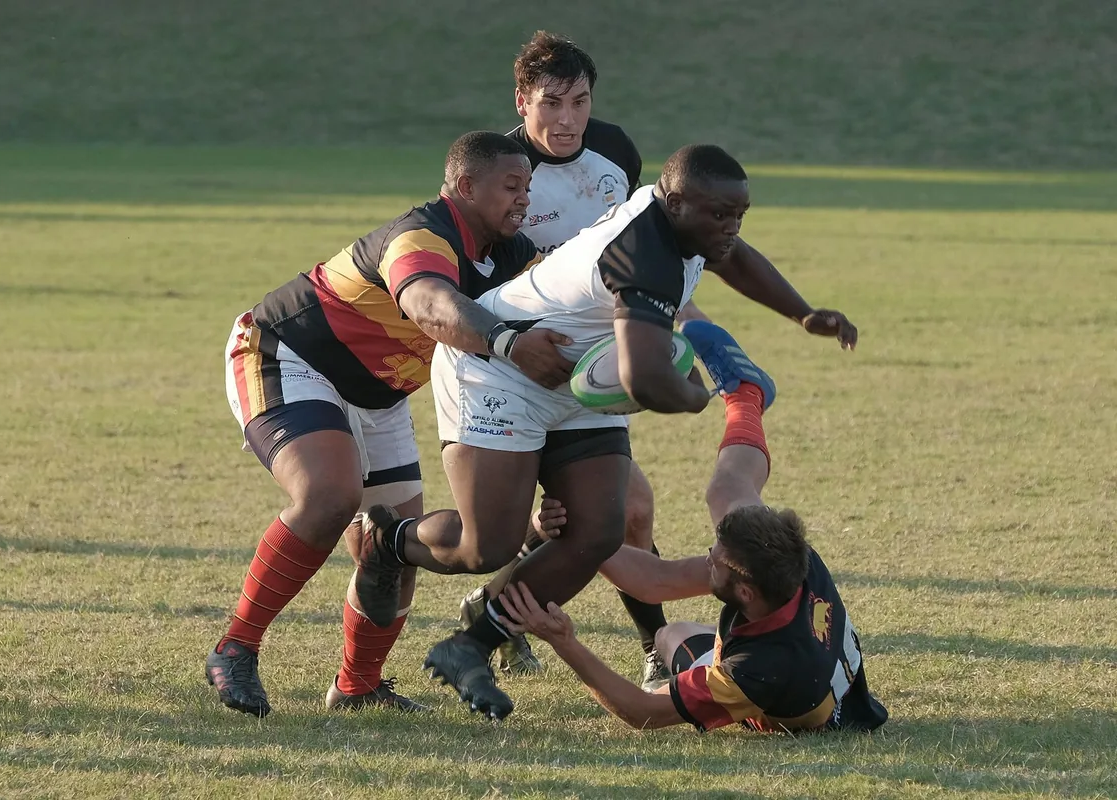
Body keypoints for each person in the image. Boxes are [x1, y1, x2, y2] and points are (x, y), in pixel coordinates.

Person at [348, 143, 857, 722]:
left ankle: (470, 646)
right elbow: (645, 380)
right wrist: (700, 394)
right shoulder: (644, 252)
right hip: (501, 370)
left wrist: (802, 313)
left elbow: (733, 256)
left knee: (598, 530)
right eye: (720, 215)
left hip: (578, 374)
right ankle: (389, 541)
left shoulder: (691, 227)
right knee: (486, 546)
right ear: (675, 203)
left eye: (739, 214)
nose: (731, 227)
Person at [459, 31, 858, 689]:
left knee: (619, 511)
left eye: (579, 101)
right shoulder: (498, 171)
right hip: (519, 362)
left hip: (600, 352)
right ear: (522, 101)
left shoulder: (614, 153)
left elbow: (656, 255)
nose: (567, 119)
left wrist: (693, 318)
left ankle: (598, 633)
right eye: (551, 103)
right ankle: (490, 602)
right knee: (555, 521)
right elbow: (477, 283)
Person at [205, 131, 574, 718]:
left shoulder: (513, 255)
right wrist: (508, 341)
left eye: (527, 187)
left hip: (379, 395)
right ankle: (236, 647)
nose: (524, 199)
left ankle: (356, 685)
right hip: (288, 355)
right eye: (511, 186)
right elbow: (429, 303)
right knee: (328, 496)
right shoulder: (420, 235)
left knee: (391, 546)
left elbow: (565, 309)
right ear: (465, 186)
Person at [499, 324, 889, 734]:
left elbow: (643, 712)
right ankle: (747, 395)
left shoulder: (755, 670)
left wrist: (564, 641)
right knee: (728, 492)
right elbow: (657, 578)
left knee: (669, 643)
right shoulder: (792, 560)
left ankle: (749, 396)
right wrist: (583, 531)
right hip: (807, 656)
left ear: (745, 592)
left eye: (716, 560)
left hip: (787, 692)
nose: (708, 556)